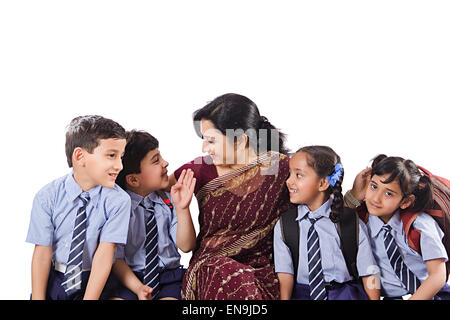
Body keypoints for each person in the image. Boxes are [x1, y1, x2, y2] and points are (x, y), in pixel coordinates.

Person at [167, 93, 294, 300]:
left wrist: (352, 198)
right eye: (203, 140)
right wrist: (181, 210)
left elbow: (320, 199)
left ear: (240, 141)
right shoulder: (200, 169)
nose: (204, 148)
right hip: (208, 272)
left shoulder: (278, 168)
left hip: (260, 276)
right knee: (220, 272)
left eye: (211, 141)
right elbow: (153, 185)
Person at [26, 115, 131, 300]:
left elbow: (105, 254)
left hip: (97, 279)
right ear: (80, 156)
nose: (120, 166)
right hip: (58, 278)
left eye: (121, 157)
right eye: (112, 155)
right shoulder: (47, 197)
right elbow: (42, 253)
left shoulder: (119, 200)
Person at [274, 146, 379, 300]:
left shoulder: (351, 222)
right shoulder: (286, 224)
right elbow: (285, 274)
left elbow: (369, 271)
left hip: (345, 294)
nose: (289, 181)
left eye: (299, 175)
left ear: (323, 183)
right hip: (303, 295)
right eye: (290, 174)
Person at [346, 155, 450, 300]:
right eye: (374, 186)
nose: (376, 198)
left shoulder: (420, 225)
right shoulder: (363, 221)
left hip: (428, 294)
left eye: (389, 193)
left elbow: (438, 276)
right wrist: (354, 194)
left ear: (405, 201)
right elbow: (335, 223)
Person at [112, 130, 196, 300]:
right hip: (129, 279)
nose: (165, 163)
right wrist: (138, 289)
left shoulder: (168, 200)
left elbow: (186, 246)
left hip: (169, 278)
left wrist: (182, 209)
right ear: (134, 180)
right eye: (156, 160)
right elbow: (116, 259)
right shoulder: (118, 207)